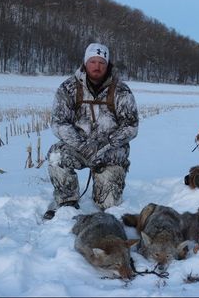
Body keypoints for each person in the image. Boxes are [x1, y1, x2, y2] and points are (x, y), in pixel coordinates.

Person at [43, 42, 139, 220]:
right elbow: (59, 123)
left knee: (108, 205)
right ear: (85, 63)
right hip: (79, 148)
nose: (97, 66)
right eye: (93, 61)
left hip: (111, 152)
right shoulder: (68, 88)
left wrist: (106, 144)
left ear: (107, 65)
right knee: (56, 155)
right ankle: (67, 201)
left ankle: (103, 190)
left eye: (102, 62)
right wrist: (82, 145)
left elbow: (131, 126)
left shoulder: (121, 90)